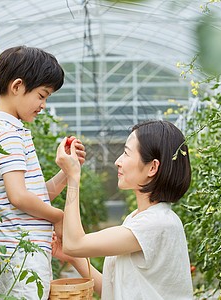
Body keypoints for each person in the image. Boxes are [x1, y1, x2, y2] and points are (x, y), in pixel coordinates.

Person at [0, 46, 86, 299]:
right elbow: (18, 196)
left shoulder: (11, 131)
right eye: (42, 95)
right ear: (17, 86)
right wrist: (58, 218)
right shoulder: (6, 133)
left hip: (24, 253)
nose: (43, 105)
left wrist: (67, 171)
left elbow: (33, 196)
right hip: (19, 254)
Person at [53, 120, 193, 299]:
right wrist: (71, 256)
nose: (118, 162)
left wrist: (73, 176)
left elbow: (75, 244)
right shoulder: (138, 219)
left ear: (152, 167)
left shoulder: (157, 223)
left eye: (126, 153)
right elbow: (113, 290)